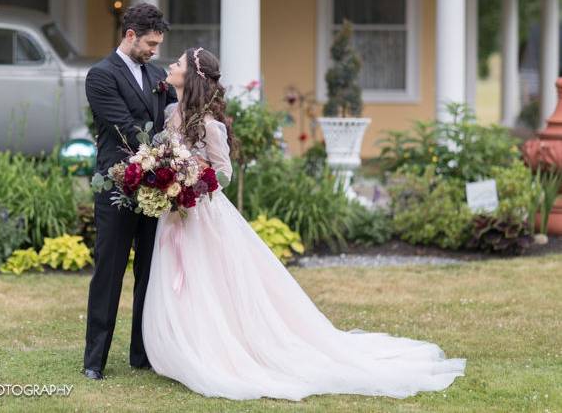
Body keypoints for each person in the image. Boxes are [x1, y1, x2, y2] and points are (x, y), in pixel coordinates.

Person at [141, 46, 466, 401]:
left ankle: (215, 349)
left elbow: (223, 173)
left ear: (192, 77)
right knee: (184, 280)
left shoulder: (210, 125)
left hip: (202, 213)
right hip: (176, 213)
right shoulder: (172, 112)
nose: (170, 65)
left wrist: (191, 182)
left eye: (178, 63)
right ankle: (183, 345)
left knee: (209, 279)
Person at [82, 3, 177, 380]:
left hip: (156, 189)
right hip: (117, 187)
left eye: (158, 44)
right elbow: (124, 126)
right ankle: (94, 360)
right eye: (150, 43)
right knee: (109, 272)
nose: (154, 50)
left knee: (150, 273)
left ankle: (143, 353)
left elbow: (174, 116)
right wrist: (169, 149)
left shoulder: (158, 75)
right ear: (130, 35)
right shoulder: (101, 75)